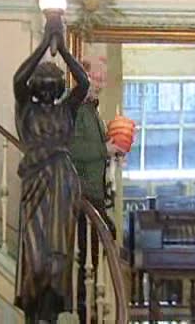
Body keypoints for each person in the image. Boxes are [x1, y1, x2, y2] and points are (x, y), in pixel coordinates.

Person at [13, 29, 89, 323]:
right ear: (35, 88)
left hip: (62, 181)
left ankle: (50, 315)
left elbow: (83, 83)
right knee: (35, 259)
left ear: (58, 89)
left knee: (58, 257)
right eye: (42, 86)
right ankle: (32, 314)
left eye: (52, 86)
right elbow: (18, 80)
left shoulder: (67, 110)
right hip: (36, 181)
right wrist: (45, 42)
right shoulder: (26, 109)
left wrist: (64, 50)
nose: (46, 92)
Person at [69, 56, 124, 323]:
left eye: (103, 79)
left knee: (99, 246)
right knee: (85, 256)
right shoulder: (76, 108)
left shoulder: (92, 110)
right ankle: (83, 311)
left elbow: (93, 149)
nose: (100, 85)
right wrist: (105, 149)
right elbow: (71, 149)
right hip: (83, 194)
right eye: (96, 78)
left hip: (95, 192)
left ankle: (90, 308)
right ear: (82, 76)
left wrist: (112, 151)